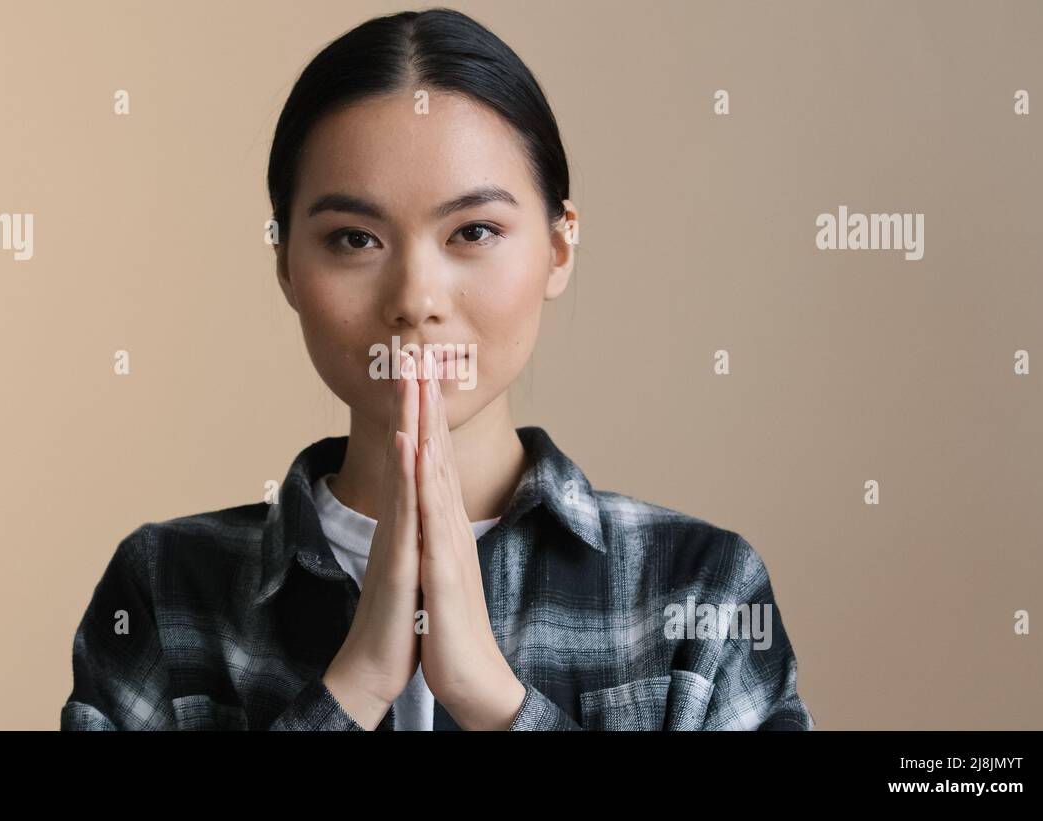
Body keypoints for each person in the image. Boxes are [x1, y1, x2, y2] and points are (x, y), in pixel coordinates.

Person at [61, 7, 814, 731]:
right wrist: (352, 687)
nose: (416, 299)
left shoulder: (701, 588)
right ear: (287, 265)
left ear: (558, 246)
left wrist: (495, 703)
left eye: (474, 231)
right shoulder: (164, 588)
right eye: (354, 240)